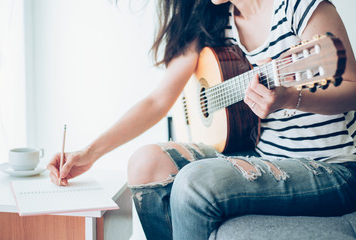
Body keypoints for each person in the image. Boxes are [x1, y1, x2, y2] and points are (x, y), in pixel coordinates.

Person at [47, 0, 356, 239]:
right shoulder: (219, 25)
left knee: (193, 184)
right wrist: (90, 153)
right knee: (144, 164)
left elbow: (352, 89)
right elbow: (157, 100)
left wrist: (292, 97)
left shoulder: (300, 7)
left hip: (330, 167)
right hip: (264, 157)